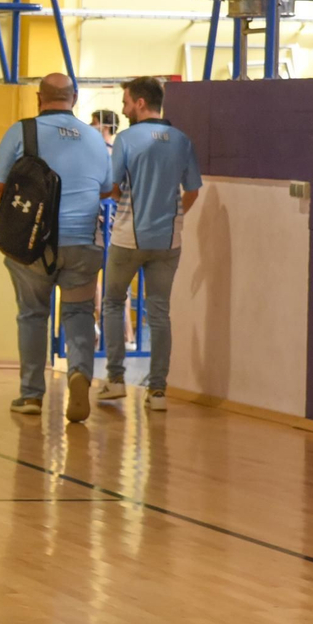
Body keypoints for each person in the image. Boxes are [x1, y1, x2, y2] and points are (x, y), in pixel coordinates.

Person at [0, 73, 112, 422]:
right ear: (74, 98)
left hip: (33, 246)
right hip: (84, 242)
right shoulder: (94, 137)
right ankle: (79, 373)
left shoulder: (23, 132)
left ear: (39, 98)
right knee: (78, 313)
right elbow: (106, 188)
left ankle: (30, 395)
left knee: (32, 315)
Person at [98, 79, 202, 411]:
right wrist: (175, 216)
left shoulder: (127, 139)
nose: (124, 108)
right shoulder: (182, 140)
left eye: (127, 102)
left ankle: (115, 381)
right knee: (159, 313)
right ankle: (157, 391)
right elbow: (194, 190)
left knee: (114, 303)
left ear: (141, 103)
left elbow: (112, 187)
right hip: (168, 240)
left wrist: (122, 198)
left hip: (128, 237)